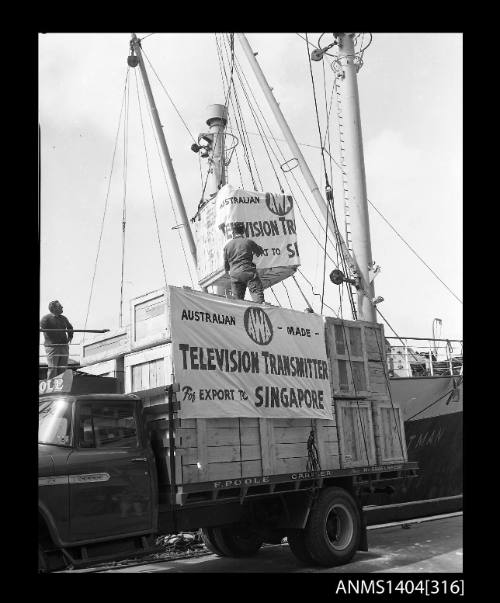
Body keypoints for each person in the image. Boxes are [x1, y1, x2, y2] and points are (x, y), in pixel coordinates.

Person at [223, 222, 265, 303]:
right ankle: (261, 309)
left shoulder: (227, 246)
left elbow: (226, 267)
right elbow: (260, 252)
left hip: (235, 275)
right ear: (243, 231)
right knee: (257, 294)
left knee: (238, 301)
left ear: (233, 232)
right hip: (248, 272)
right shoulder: (248, 242)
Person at [40, 300, 74, 379]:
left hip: (64, 346)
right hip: (52, 347)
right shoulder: (46, 319)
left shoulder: (63, 318)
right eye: (60, 306)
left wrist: (70, 336)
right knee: (53, 368)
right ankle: (50, 387)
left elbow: (70, 327)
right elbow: (42, 327)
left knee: (62, 368)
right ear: (54, 308)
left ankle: (60, 386)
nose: (62, 307)